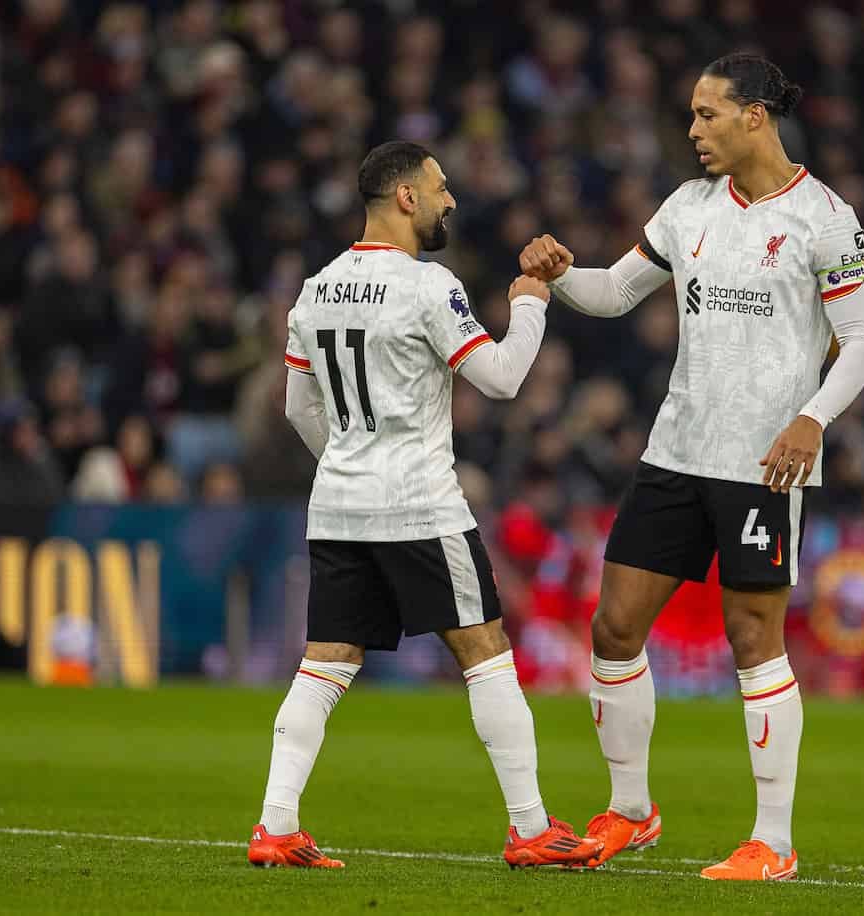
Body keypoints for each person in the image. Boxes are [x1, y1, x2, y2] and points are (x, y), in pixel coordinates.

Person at [519, 54, 864, 881]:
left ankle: (774, 844)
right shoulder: (688, 208)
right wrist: (560, 272)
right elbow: (613, 291)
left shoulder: (826, 219)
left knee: (753, 638)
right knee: (612, 626)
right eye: (691, 115)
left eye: (707, 115)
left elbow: (862, 344)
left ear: (756, 116)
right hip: (675, 452)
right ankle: (631, 812)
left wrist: (810, 420)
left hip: (763, 464)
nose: (693, 131)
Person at [249, 141, 601, 870]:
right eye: (441, 188)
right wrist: (529, 305)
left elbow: (296, 408)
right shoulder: (426, 285)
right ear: (405, 197)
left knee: (325, 665)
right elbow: (501, 381)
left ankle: (275, 825)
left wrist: (351, 461)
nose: (450, 201)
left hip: (340, 506)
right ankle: (531, 827)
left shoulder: (315, 289)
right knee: (486, 654)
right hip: (419, 505)